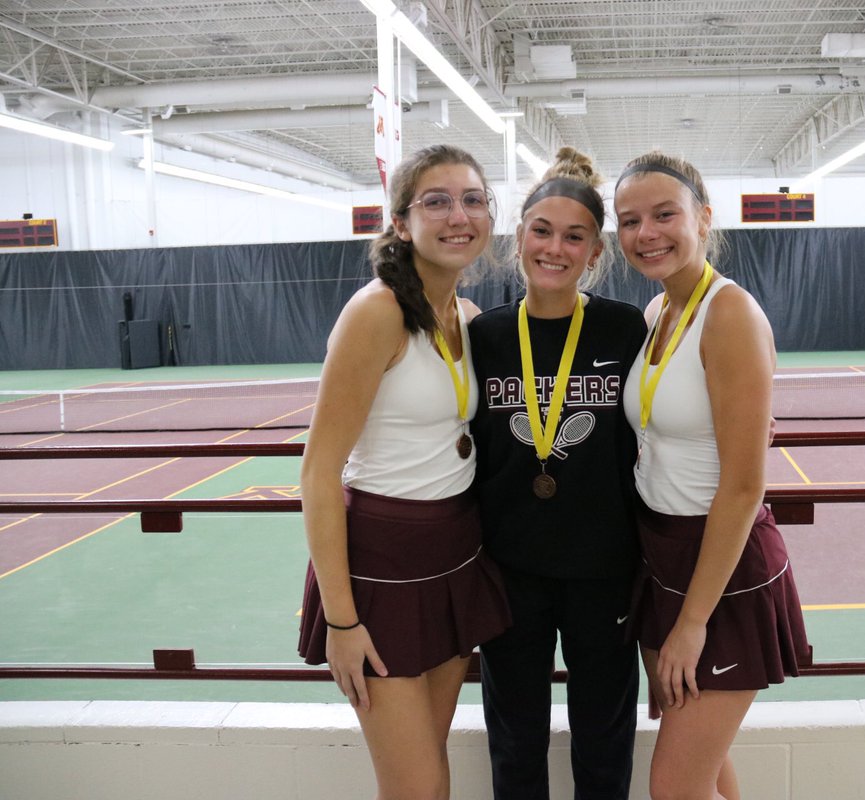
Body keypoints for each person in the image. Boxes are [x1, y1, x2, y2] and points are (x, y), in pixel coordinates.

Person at [297, 144, 510, 800]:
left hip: (453, 556)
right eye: (437, 201)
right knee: (415, 788)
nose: (458, 215)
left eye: (473, 200)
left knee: (434, 772)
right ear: (401, 222)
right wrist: (341, 622)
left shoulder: (466, 317)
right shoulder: (376, 312)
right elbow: (318, 472)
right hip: (380, 569)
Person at [613, 152, 809, 800]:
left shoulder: (729, 315)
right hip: (662, 560)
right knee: (706, 768)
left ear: (702, 218)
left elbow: (745, 486)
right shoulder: (655, 316)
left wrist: (693, 623)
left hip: (721, 573)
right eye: (630, 220)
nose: (648, 233)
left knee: (674, 785)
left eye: (664, 215)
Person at [469, 146, 648, 800]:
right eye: (541, 231)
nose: (555, 248)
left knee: (604, 738)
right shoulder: (484, 337)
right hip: (510, 569)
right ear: (519, 238)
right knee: (515, 739)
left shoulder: (625, 328)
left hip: (605, 569)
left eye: (574, 237)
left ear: (595, 253)